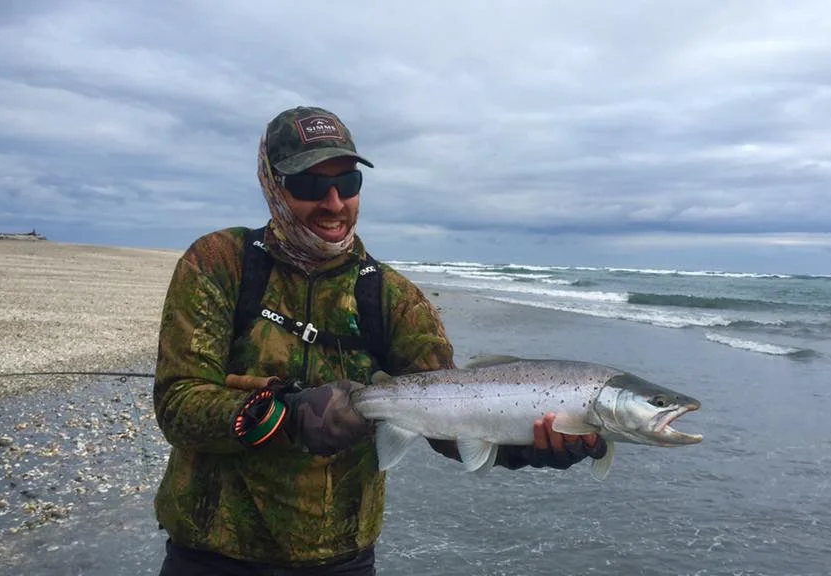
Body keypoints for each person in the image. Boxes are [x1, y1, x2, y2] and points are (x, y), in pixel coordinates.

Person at [151, 105, 609, 576]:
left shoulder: (391, 297)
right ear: (272, 184)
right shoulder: (220, 263)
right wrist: (287, 414)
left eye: (348, 184)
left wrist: (527, 443)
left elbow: (448, 417)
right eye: (309, 185)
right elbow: (178, 405)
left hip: (340, 561)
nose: (334, 203)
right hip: (208, 555)